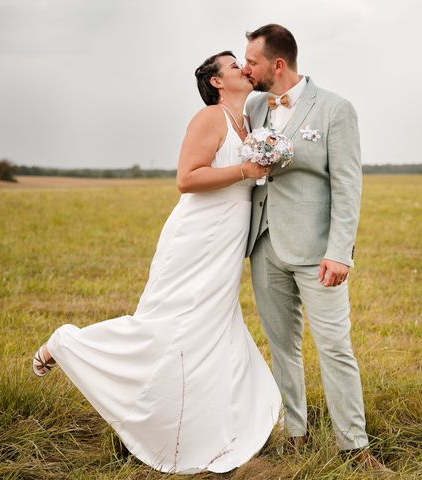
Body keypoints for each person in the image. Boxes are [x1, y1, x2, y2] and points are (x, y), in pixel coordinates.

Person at [31, 51, 282, 475]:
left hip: (226, 239)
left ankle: (212, 427)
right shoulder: (210, 117)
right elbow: (186, 178)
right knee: (165, 323)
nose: (243, 68)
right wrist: (245, 170)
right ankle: (68, 344)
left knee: (213, 326)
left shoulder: (250, 122)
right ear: (217, 82)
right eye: (234, 64)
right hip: (196, 236)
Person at [242, 24, 390, 471]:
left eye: (252, 62)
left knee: (334, 347)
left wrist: (340, 251)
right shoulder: (253, 105)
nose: (246, 69)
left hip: (316, 251)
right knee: (281, 344)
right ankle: (295, 434)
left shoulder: (334, 109)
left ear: (278, 64)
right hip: (265, 243)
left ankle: (355, 447)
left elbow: (348, 186)